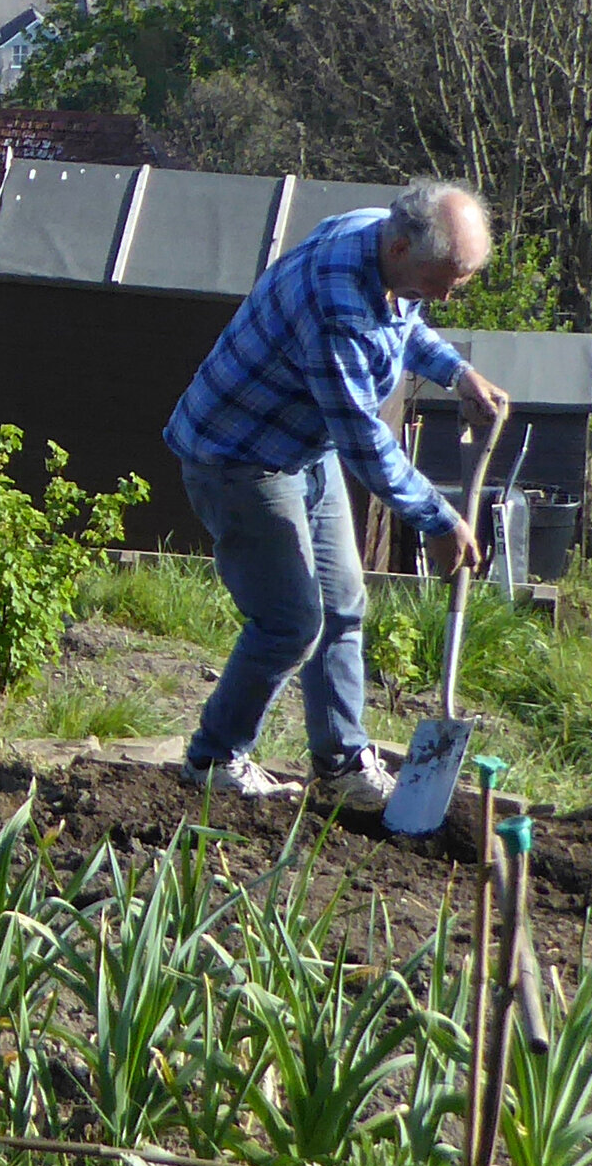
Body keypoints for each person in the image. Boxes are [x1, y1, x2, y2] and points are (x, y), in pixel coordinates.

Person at [162, 180, 510, 809]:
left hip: (301, 448)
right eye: (445, 278)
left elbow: (406, 324)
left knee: (344, 605)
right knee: (290, 621)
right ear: (402, 247)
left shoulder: (382, 239)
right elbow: (365, 442)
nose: (449, 293)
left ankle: (343, 762)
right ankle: (214, 759)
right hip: (239, 458)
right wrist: (438, 518)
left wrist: (456, 373)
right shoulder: (336, 307)